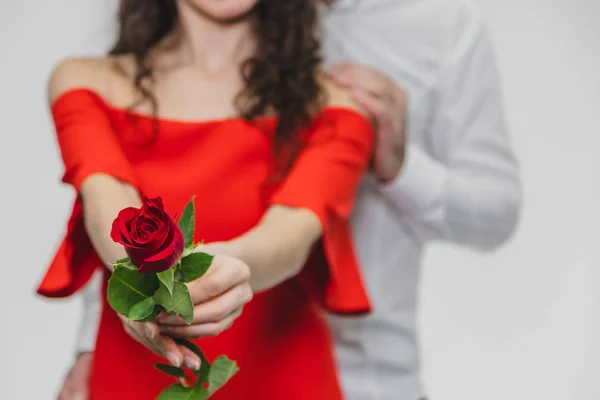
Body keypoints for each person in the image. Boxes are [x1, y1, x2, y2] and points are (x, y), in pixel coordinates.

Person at [56, 0, 523, 399]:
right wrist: (118, 318)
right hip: (146, 364)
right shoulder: (98, 84)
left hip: (365, 375)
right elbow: (109, 207)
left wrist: (400, 166)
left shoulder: (414, 44)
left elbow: (287, 237)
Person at [37, 0, 375, 399]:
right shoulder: (86, 84)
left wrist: (221, 271)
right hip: (130, 379)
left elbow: (291, 236)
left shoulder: (336, 109)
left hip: (281, 380)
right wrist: (146, 284)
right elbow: (107, 199)